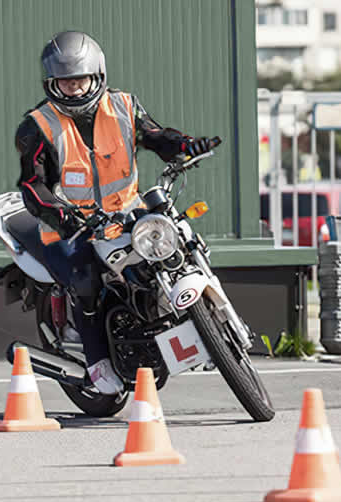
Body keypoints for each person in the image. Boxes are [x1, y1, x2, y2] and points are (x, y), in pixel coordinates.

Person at [14, 30, 217, 395]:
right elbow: (32, 185)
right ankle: (97, 361)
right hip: (68, 228)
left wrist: (185, 145)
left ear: (97, 76)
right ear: (51, 83)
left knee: (176, 241)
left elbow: (156, 136)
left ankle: (198, 326)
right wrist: (62, 217)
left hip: (127, 214)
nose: (74, 89)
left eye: (80, 80)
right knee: (85, 277)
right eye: (64, 82)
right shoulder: (37, 126)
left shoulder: (124, 106)